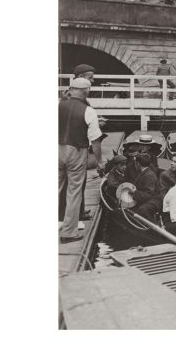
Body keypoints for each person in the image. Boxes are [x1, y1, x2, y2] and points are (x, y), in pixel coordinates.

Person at [59, 78, 103, 243]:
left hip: (56, 149)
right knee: (74, 191)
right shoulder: (89, 111)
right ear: (86, 92)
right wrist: (99, 161)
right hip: (76, 151)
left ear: (71, 90)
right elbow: (95, 140)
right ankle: (69, 233)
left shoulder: (58, 104)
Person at [130, 153, 163, 220]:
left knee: (142, 210)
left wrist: (134, 192)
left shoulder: (149, 175)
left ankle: (153, 225)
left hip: (155, 200)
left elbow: (148, 194)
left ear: (138, 164)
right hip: (150, 199)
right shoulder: (145, 172)